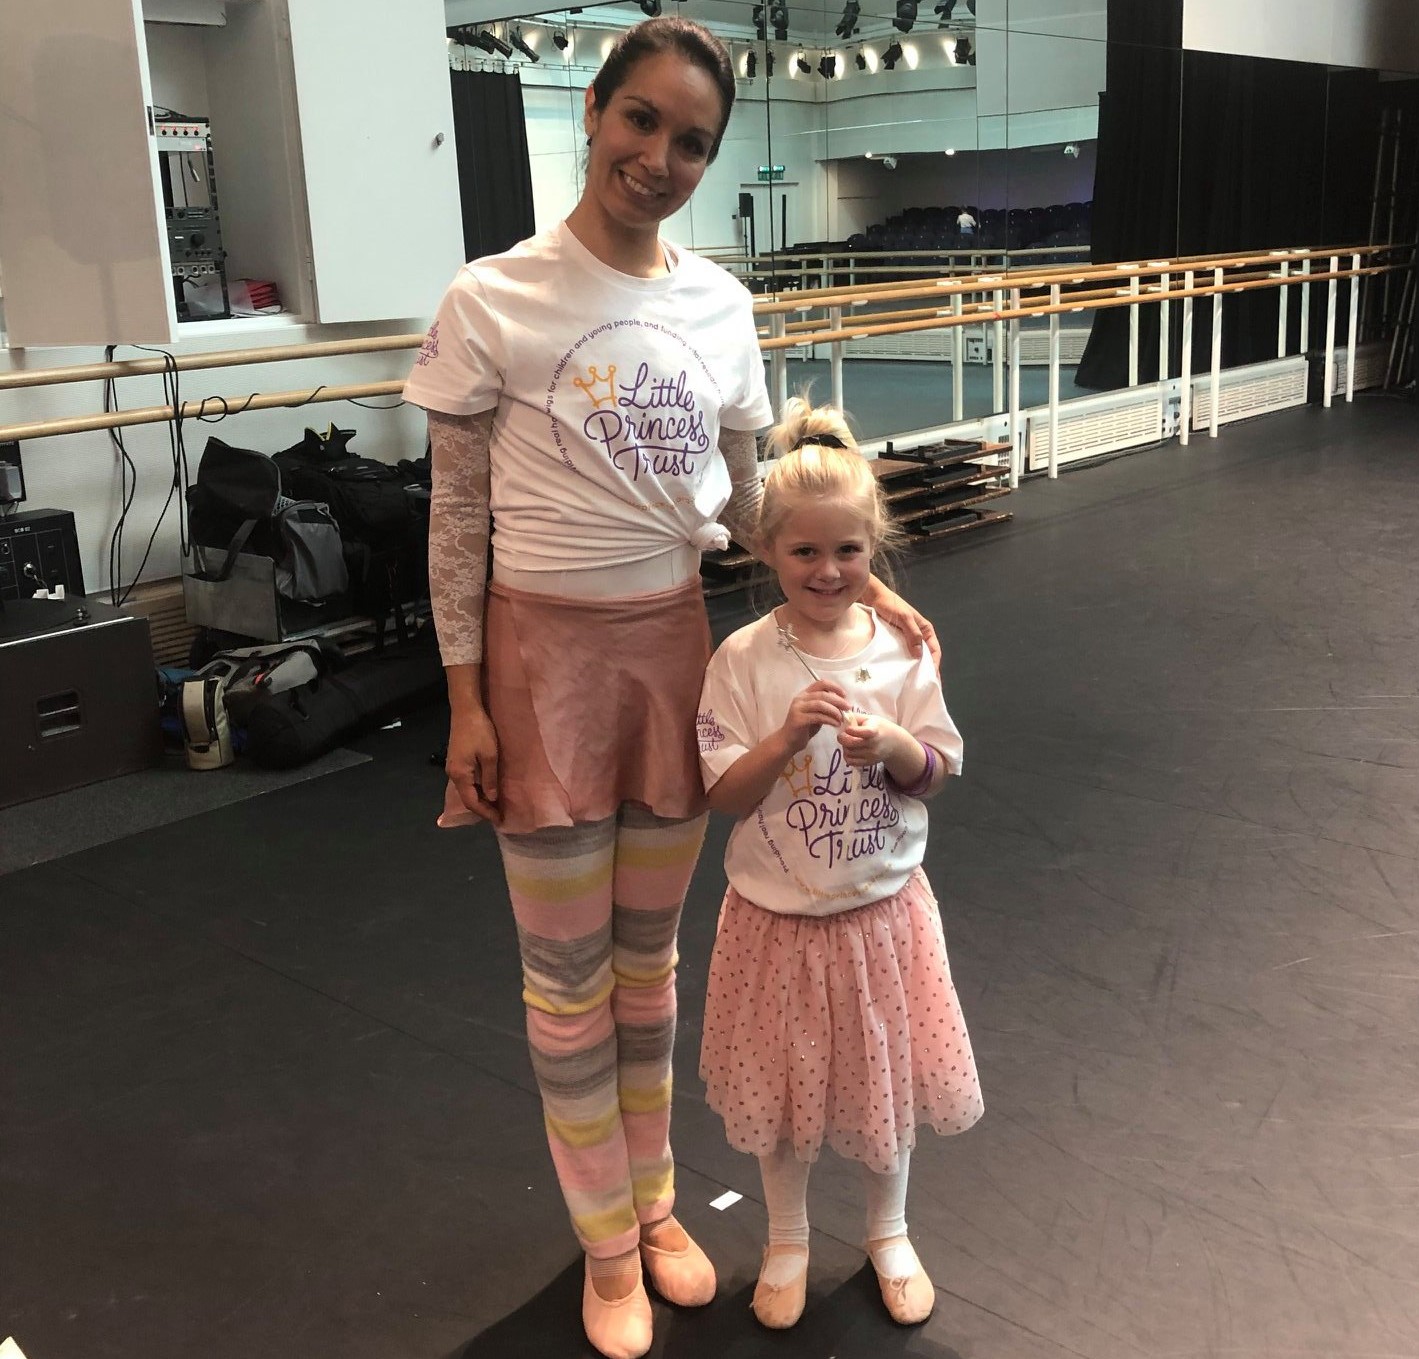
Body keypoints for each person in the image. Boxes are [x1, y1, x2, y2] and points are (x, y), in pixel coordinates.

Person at [402, 18, 936, 1359]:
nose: (660, 156)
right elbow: (455, 518)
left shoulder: (720, 306)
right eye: (640, 120)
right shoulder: (493, 298)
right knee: (567, 977)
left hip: (673, 654)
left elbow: (763, 509)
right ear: (592, 111)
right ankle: (603, 1241)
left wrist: (859, 587)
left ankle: (652, 1201)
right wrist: (466, 698)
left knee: (651, 968)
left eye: (690, 139)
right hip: (540, 664)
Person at [696, 397, 984, 1330]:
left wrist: (896, 744)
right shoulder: (741, 658)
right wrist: (784, 737)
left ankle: (889, 1228)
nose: (828, 571)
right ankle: (786, 1235)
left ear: (875, 548)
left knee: (883, 1080)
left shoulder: (903, 648)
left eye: (848, 552)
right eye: (805, 552)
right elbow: (723, 795)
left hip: (881, 918)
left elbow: (936, 771)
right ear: (766, 550)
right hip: (776, 923)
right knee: (784, 1094)